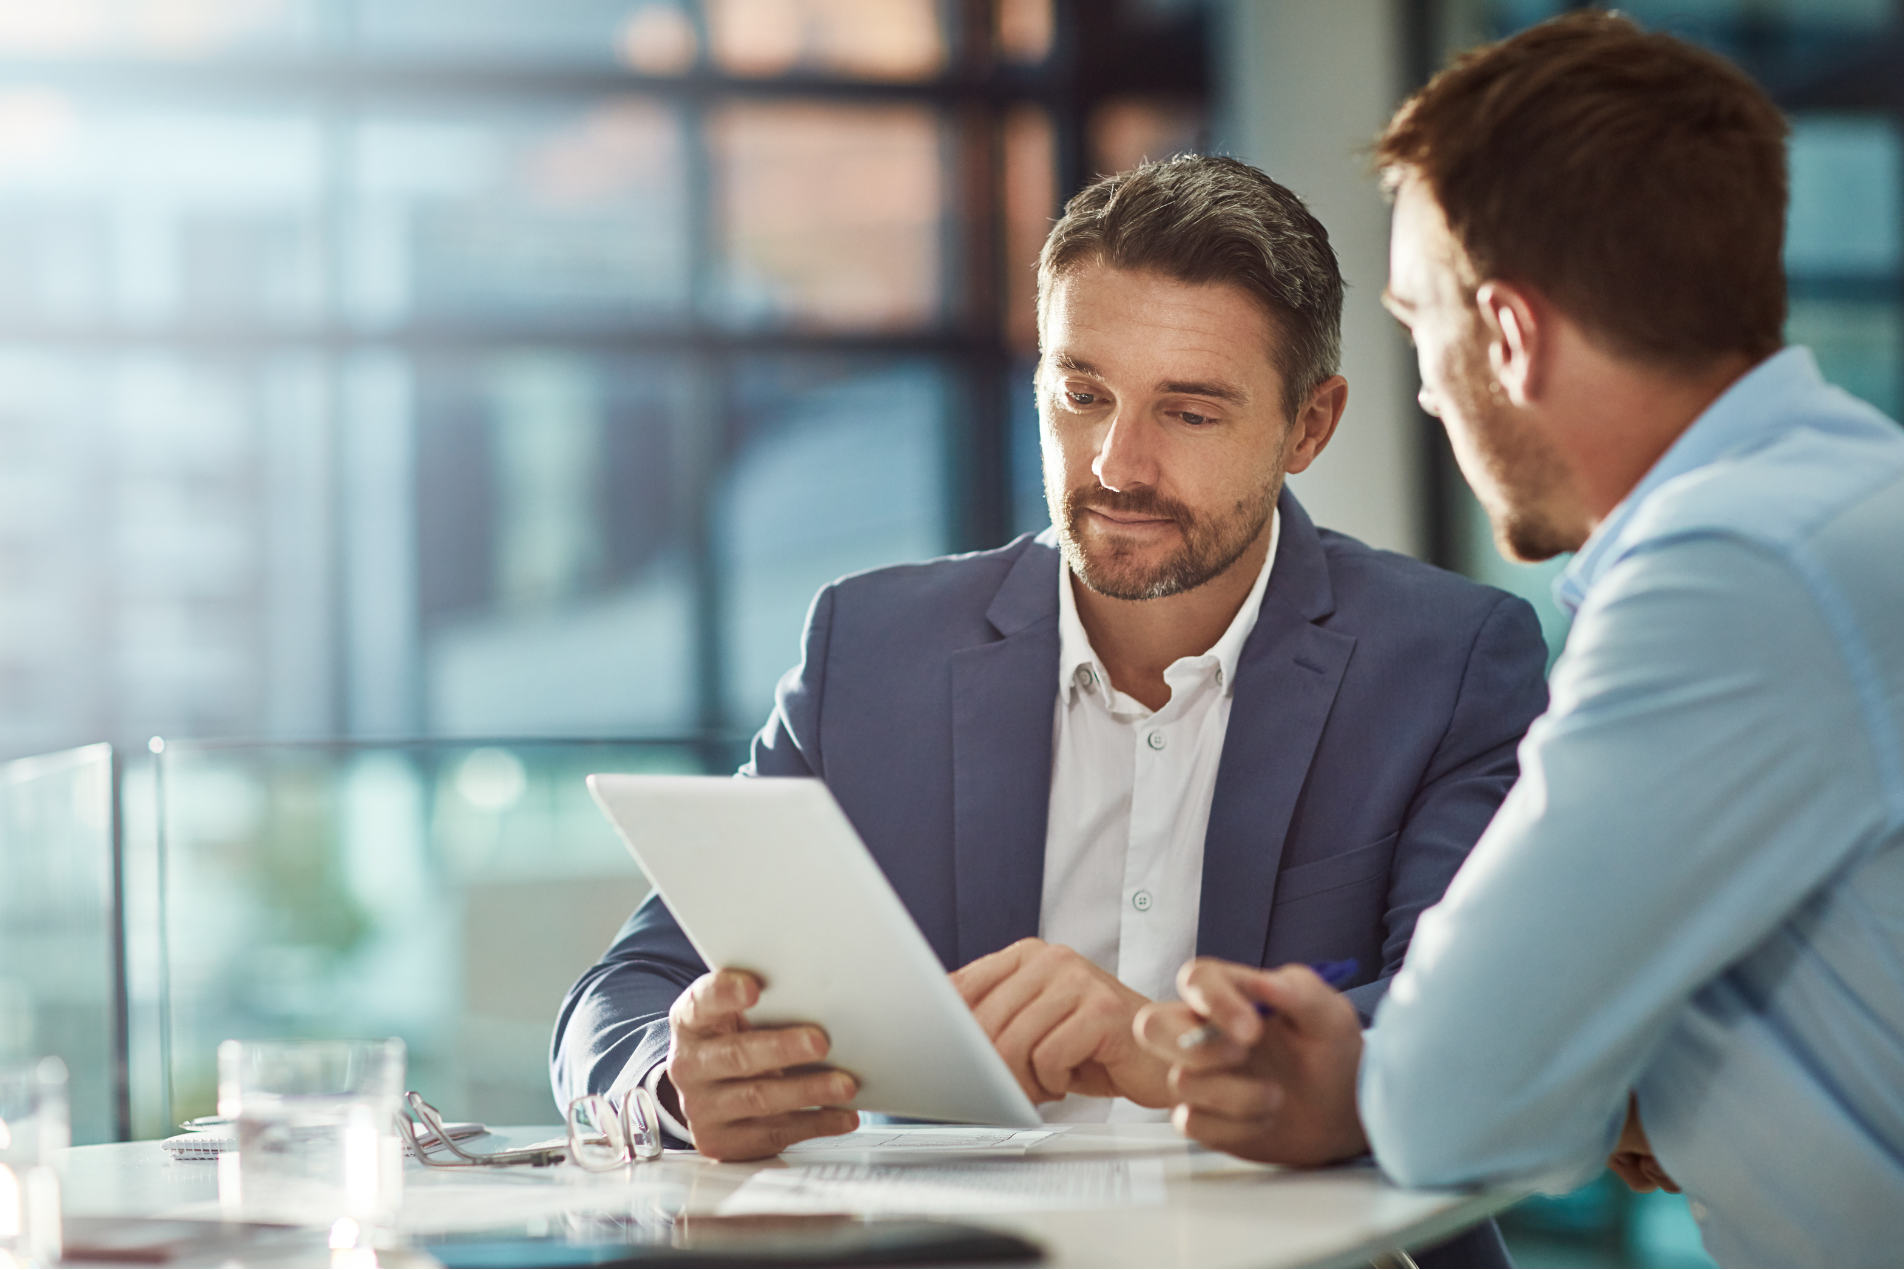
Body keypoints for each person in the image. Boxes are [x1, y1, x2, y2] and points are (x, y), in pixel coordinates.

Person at [554, 154, 1548, 1262]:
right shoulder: (872, 650)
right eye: (1081, 395)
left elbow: (1467, 1035)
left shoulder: (1447, 660)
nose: (1117, 463)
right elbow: (629, 989)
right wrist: (678, 1081)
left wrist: (1163, 1043)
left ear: (1307, 428)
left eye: (1188, 410)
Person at [1134, 14, 1904, 1268]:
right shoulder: (1837, 501)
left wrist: (1379, 1079)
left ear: (1506, 334)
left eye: (1417, 325)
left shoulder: (1729, 571)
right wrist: (1626, 1084)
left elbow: (1457, 1097)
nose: (1426, 388)